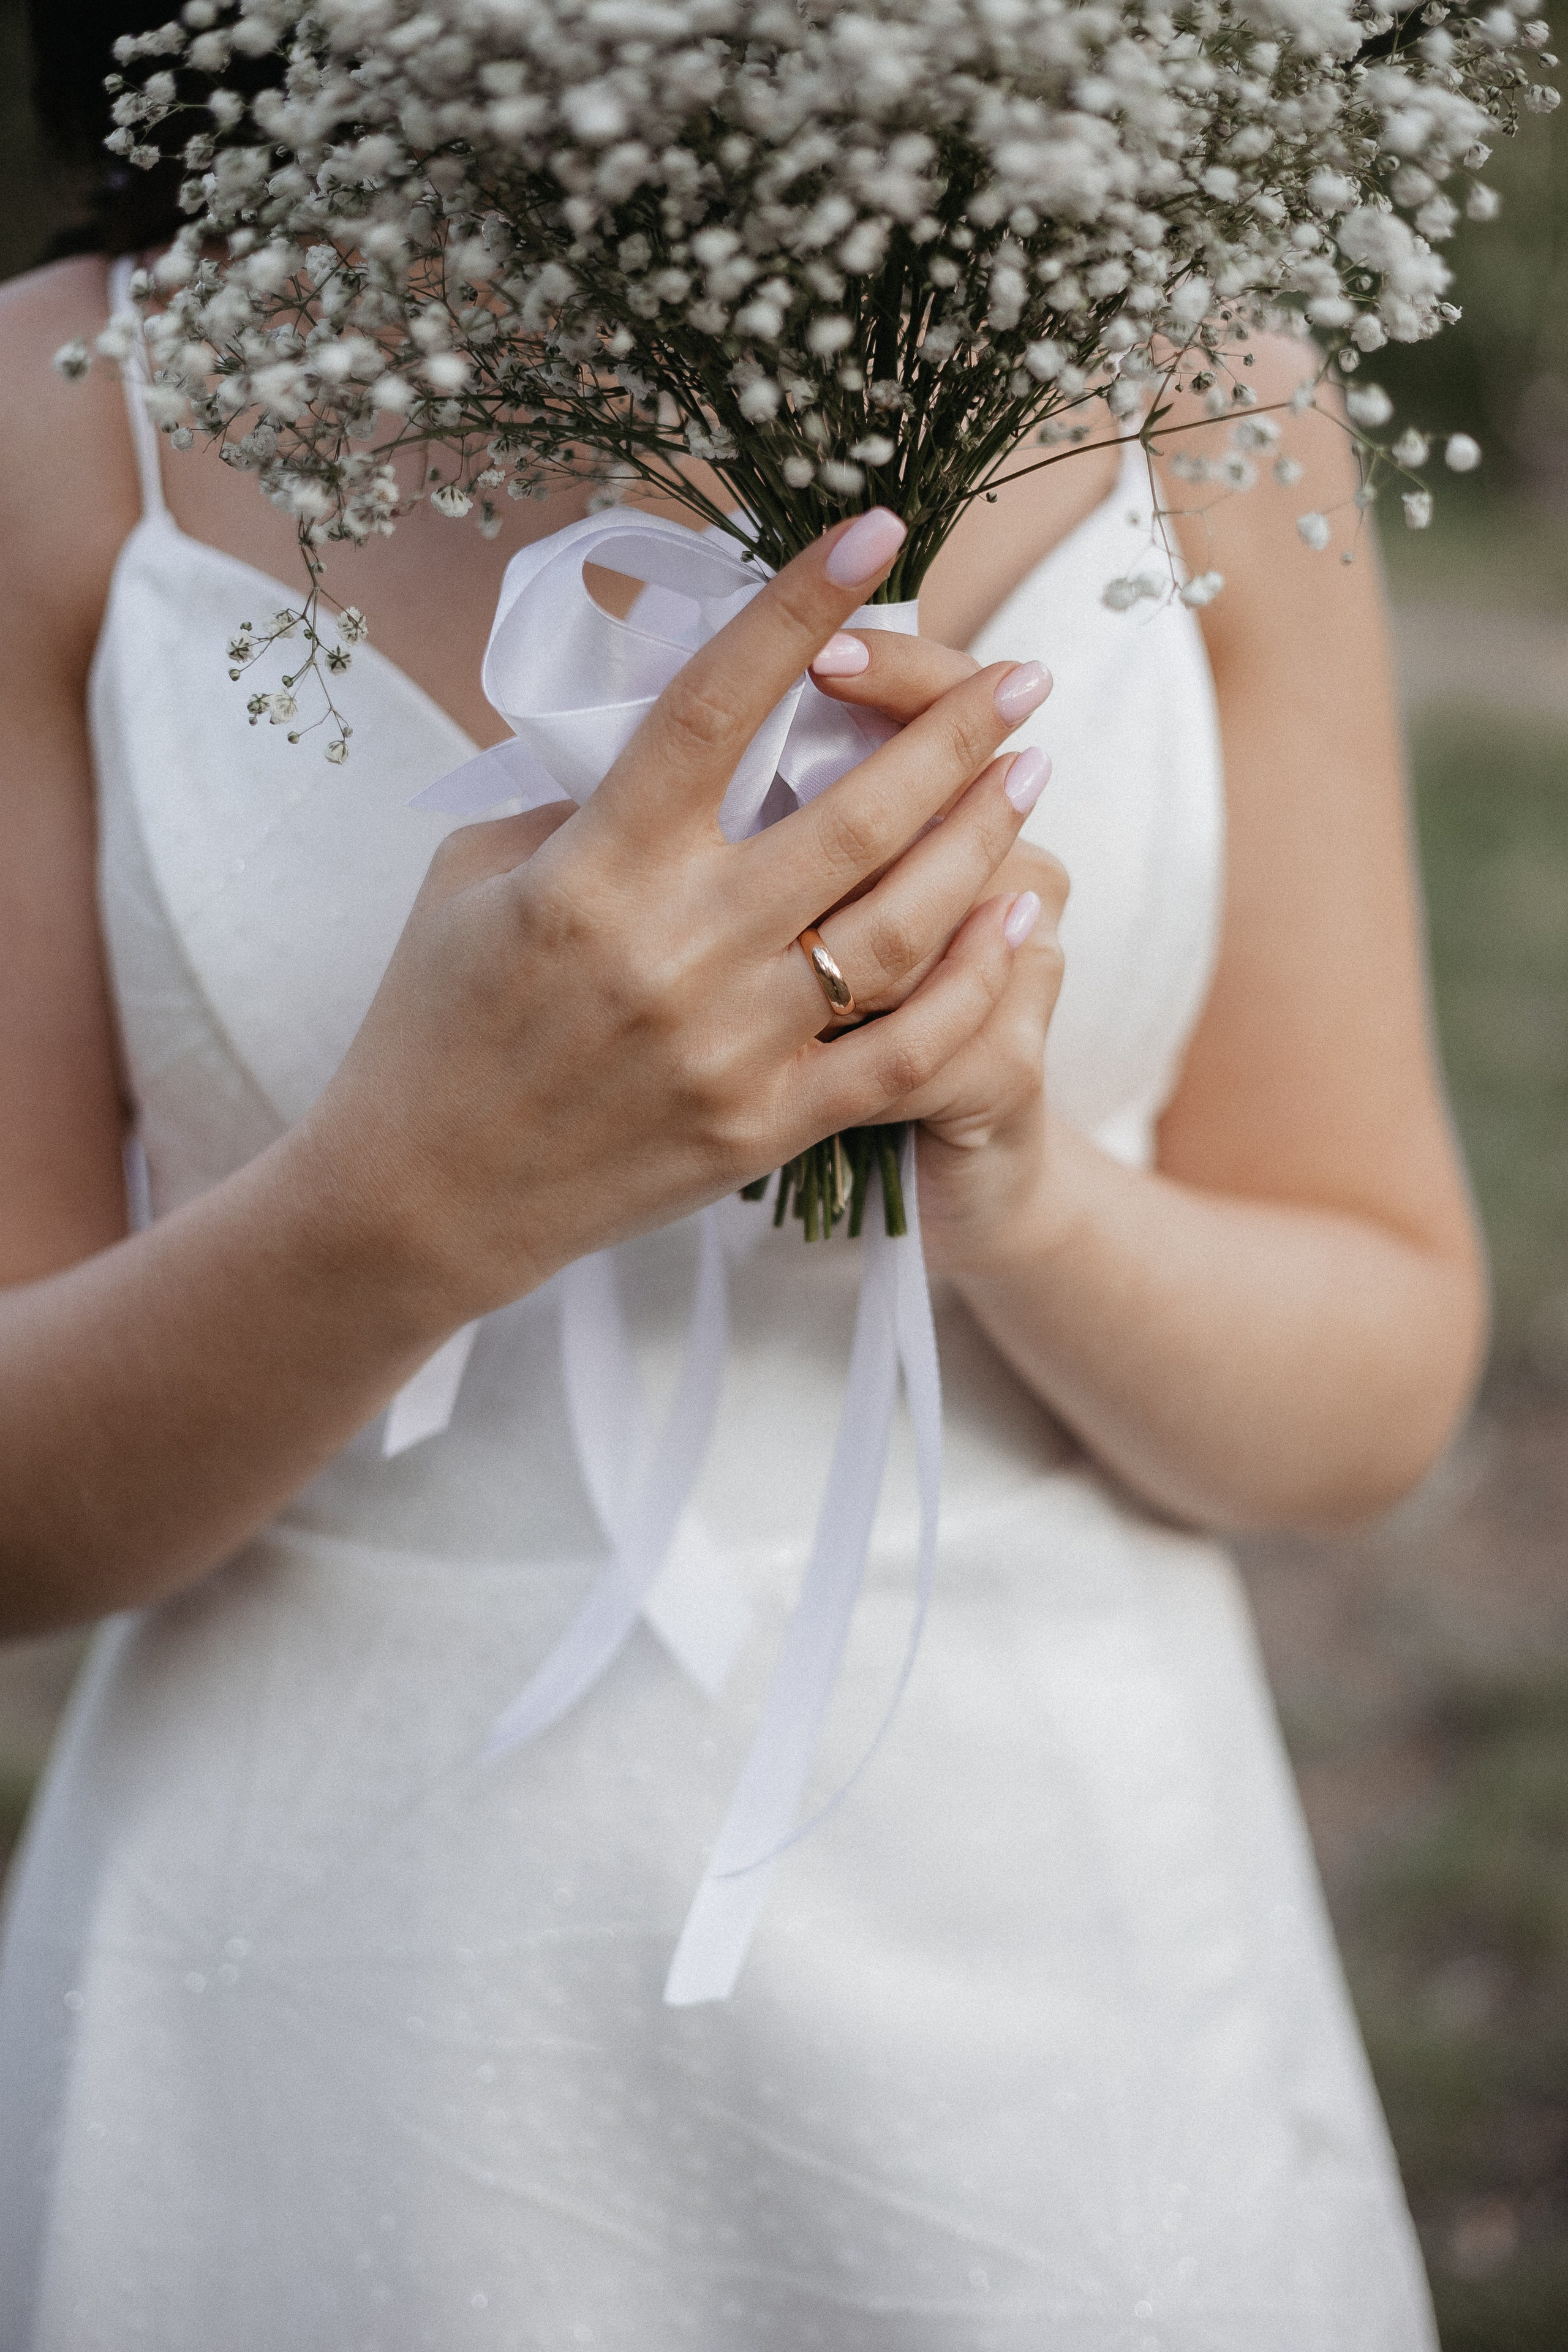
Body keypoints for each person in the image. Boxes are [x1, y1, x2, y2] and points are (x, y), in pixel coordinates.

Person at [0, 9, 1485, 2345]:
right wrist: (406, 1199)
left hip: (1064, 2008)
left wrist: (1014, 1176)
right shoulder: (75, 410)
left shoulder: (1213, 382)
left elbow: (1378, 1383)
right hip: (296, 1997)